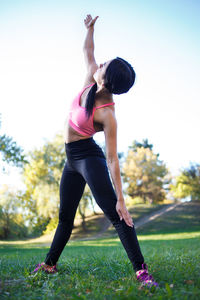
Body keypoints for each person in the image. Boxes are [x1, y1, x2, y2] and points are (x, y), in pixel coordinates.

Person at [32, 14, 158, 288]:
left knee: (116, 213)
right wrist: (90, 30)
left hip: (89, 158)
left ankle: (142, 272)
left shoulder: (108, 115)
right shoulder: (92, 78)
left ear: (106, 81)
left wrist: (122, 198)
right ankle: (50, 264)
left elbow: (112, 159)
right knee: (66, 216)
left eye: (105, 65)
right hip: (71, 159)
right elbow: (88, 51)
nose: (100, 63)